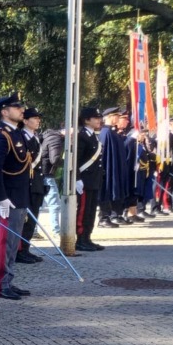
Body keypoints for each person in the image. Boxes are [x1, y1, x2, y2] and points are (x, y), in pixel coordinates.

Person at [0, 93, 31, 300]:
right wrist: (1, 198)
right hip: (7, 200)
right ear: (4, 112)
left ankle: (8, 280)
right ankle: (0, 285)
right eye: (17, 107)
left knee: (13, 244)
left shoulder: (16, 134)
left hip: (18, 197)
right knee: (4, 244)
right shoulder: (1, 136)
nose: (22, 110)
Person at [17, 107, 46, 263]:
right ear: (25, 121)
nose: (38, 120)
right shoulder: (21, 137)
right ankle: (19, 250)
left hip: (35, 184)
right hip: (26, 184)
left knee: (32, 220)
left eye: (38, 118)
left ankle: (25, 248)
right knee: (24, 219)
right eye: (34, 118)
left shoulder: (35, 138)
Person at [74, 106, 106, 252]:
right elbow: (76, 160)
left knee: (91, 210)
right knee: (84, 211)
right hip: (85, 180)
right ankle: (81, 239)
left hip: (93, 180)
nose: (99, 120)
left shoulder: (93, 135)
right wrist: (77, 178)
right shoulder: (81, 136)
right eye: (96, 118)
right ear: (86, 120)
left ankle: (87, 237)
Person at [38, 125, 66, 234]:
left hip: (42, 173)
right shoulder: (56, 139)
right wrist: (68, 162)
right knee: (54, 204)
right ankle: (56, 231)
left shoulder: (50, 135)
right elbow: (54, 159)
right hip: (47, 174)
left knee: (39, 204)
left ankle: (34, 230)